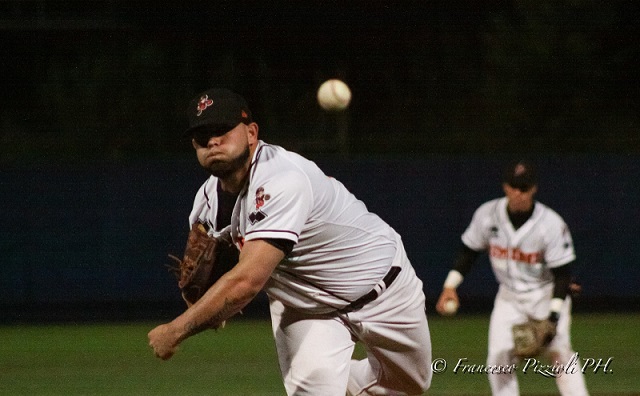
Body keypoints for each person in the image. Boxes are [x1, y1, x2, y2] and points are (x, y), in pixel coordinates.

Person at [148, 88, 432, 395]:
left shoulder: (282, 179)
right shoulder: (205, 205)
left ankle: (338, 379)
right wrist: (206, 305)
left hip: (383, 289)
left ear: (252, 133)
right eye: (202, 136)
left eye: (222, 130)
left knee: (410, 385)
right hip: (305, 308)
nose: (213, 142)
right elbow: (202, 276)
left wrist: (176, 330)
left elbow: (246, 282)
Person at [435, 160, 589, 396]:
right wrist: (450, 286)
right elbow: (469, 252)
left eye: (524, 188)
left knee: (560, 354)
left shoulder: (550, 224)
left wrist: (553, 316)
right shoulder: (487, 215)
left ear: (534, 189)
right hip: (508, 297)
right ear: (505, 187)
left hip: (544, 294)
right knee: (498, 360)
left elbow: (562, 274)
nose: (519, 193)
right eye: (514, 187)